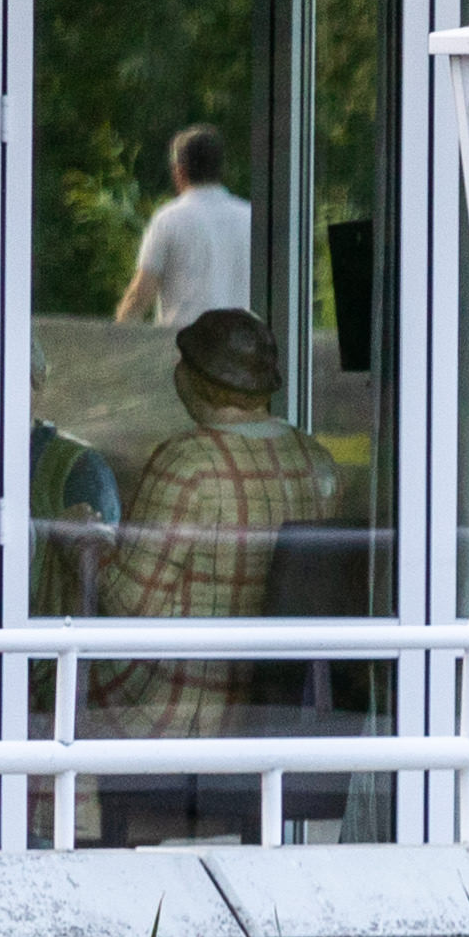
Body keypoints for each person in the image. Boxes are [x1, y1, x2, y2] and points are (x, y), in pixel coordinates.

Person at [84, 307, 331, 739]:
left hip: (178, 714)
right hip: (275, 717)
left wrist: (85, 544)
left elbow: (129, 605)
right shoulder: (316, 460)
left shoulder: (188, 462)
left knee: (34, 699)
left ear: (195, 376)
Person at [113, 127, 253, 329]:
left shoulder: (169, 220)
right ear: (221, 169)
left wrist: (116, 338)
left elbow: (140, 296)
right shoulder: (249, 218)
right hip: (238, 344)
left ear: (179, 170)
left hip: (182, 344)